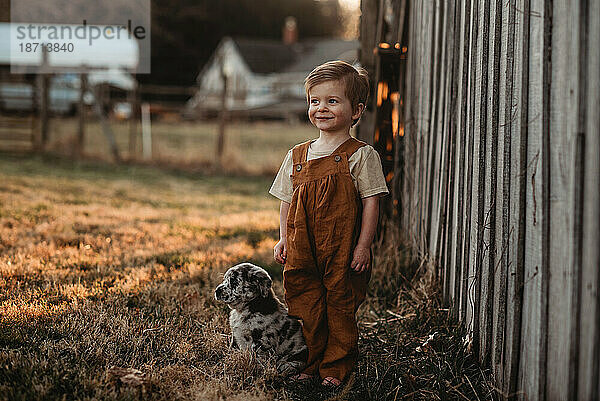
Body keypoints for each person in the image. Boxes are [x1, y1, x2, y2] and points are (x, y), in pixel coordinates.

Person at [269, 60, 389, 387]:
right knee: (304, 303)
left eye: (332, 101)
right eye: (314, 101)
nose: (321, 108)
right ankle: (308, 361)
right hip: (302, 248)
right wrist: (283, 240)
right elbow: (286, 203)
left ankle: (335, 366)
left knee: (339, 306)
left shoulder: (361, 155)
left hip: (342, 250)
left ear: (356, 111)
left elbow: (371, 203)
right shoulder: (297, 155)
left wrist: (363, 246)